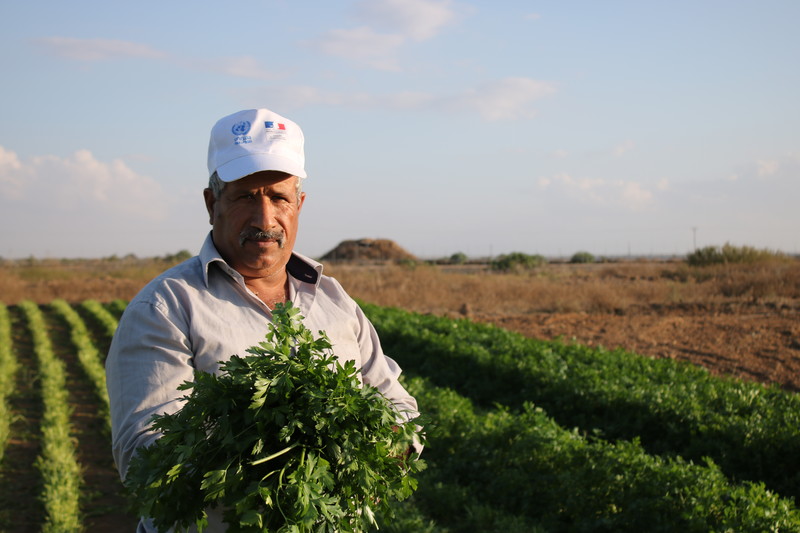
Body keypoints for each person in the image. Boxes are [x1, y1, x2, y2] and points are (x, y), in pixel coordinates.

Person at [105, 108, 420, 532]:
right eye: (245, 197)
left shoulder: (335, 301)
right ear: (212, 203)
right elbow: (144, 457)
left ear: (299, 205)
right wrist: (282, 461)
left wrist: (381, 446)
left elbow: (398, 407)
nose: (265, 219)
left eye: (279, 197)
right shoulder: (165, 308)